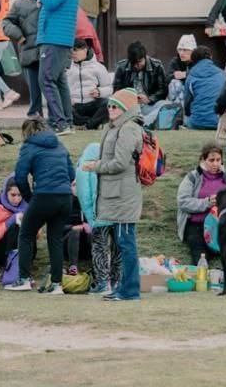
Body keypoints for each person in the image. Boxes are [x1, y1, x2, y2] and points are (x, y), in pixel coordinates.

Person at [84, 88, 144, 302]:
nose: (110, 109)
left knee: (127, 244)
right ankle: (124, 288)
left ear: (125, 109)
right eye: (109, 105)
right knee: (123, 243)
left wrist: (95, 166)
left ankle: (130, 290)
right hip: (115, 194)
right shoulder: (115, 127)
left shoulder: (128, 129)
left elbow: (120, 163)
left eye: (115, 106)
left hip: (124, 195)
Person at [6, 118, 76, 294]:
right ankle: (57, 284)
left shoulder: (29, 147)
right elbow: (72, 173)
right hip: (65, 197)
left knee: (26, 234)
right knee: (55, 239)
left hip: (44, 195)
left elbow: (20, 176)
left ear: (26, 132)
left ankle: (23, 279)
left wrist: (30, 198)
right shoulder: (59, 145)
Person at [176, 142, 226, 266]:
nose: (215, 164)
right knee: (200, 256)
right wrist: (207, 202)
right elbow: (183, 201)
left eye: (218, 160)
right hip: (198, 225)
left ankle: (223, 257)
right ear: (203, 160)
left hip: (224, 224)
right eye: (211, 160)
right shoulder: (193, 177)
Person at [34, 0, 79, 135]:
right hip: (58, 38)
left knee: (46, 79)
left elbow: (51, 2)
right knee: (59, 81)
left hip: (54, 38)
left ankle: (60, 123)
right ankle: (66, 121)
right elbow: (53, 4)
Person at [75, 143, 120, 294]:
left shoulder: (83, 169)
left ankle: (102, 283)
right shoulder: (112, 167)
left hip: (98, 216)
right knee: (117, 248)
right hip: (117, 215)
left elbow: (84, 196)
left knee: (99, 249)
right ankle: (116, 282)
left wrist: (90, 218)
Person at [3, 0, 42, 118]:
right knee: (34, 89)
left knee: (54, 87)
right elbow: (6, 23)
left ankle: (60, 119)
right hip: (29, 50)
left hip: (49, 50)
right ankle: (35, 117)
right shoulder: (20, 3)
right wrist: (19, 36)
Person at [113, 41, 168, 123]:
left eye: (139, 62)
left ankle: (141, 121)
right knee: (109, 105)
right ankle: (144, 121)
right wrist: (131, 97)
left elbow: (163, 90)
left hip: (149, 106)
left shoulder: (157, 66)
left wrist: (149, 99)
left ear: (145, 57)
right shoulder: (122, 67)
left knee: (165, 105)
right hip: (129, 107)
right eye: (133, 63)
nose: (136, 66)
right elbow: (116, 92)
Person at [0, 175, 29, 267]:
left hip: (26, 253)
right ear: (5, 193)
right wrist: (9, 222)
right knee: (14, 228)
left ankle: (21, 261)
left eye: (20, 195)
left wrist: (27, 223)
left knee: (20, 228)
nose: (17, 199)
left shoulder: (27, 206)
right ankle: (12, 262)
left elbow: (37, 235)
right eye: (13, 195)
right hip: (1, 253)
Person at [67, 38, 112, 130]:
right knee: (63, 106)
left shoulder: (98, 67)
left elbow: (110, 88)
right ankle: (92, 123)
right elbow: (61, 88)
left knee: (107, 103)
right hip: (75, 105)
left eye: (75, 50)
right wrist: (67, 98)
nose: (73, 54)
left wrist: (100, 92)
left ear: (85, 50)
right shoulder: (67, 68)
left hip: (92, 104)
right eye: (71, 51)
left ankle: (87, 125)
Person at [184, 45, 225, 130]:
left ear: (193, 60)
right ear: (210, 57)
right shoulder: (222, 74)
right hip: (219, 122)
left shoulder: (191, 76)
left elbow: (187, 103)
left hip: (196, 122)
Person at [167, 34, 197, 103]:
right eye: (180, 50)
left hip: (194, 95)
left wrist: (186, 74)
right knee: (174, 83)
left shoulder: (198, 61)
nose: (181, 53)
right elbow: (167, 78)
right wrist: (174, 76)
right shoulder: (175, 61)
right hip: (179, 95)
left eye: (185, 50)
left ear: (193, 51)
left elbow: (202, 74)